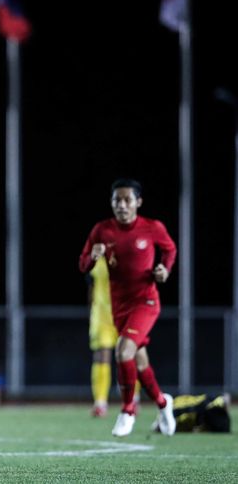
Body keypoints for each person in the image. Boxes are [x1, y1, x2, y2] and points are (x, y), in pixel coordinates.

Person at [79, 178, 177, 437]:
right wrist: (92, 257)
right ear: (111, 203)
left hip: (146, 302)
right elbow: (82, 264)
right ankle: (164, 404)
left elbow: (169, 249)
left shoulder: (152, 227)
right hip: (118, 306)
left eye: (127, 200)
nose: (122, 205)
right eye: (117, 200)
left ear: (138, 202)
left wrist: (164, 270)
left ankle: (127, 410)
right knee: (139, 360)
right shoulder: (102, 230)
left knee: (123, 351)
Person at [87, 258, 140, 418]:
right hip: (102, 316)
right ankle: (100, 403)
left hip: (125, 313)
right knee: (102, 355)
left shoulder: (127, 256)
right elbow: (91, 286)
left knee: (128, 355)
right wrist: (91, 310)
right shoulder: (97, 260)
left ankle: (132, 400)